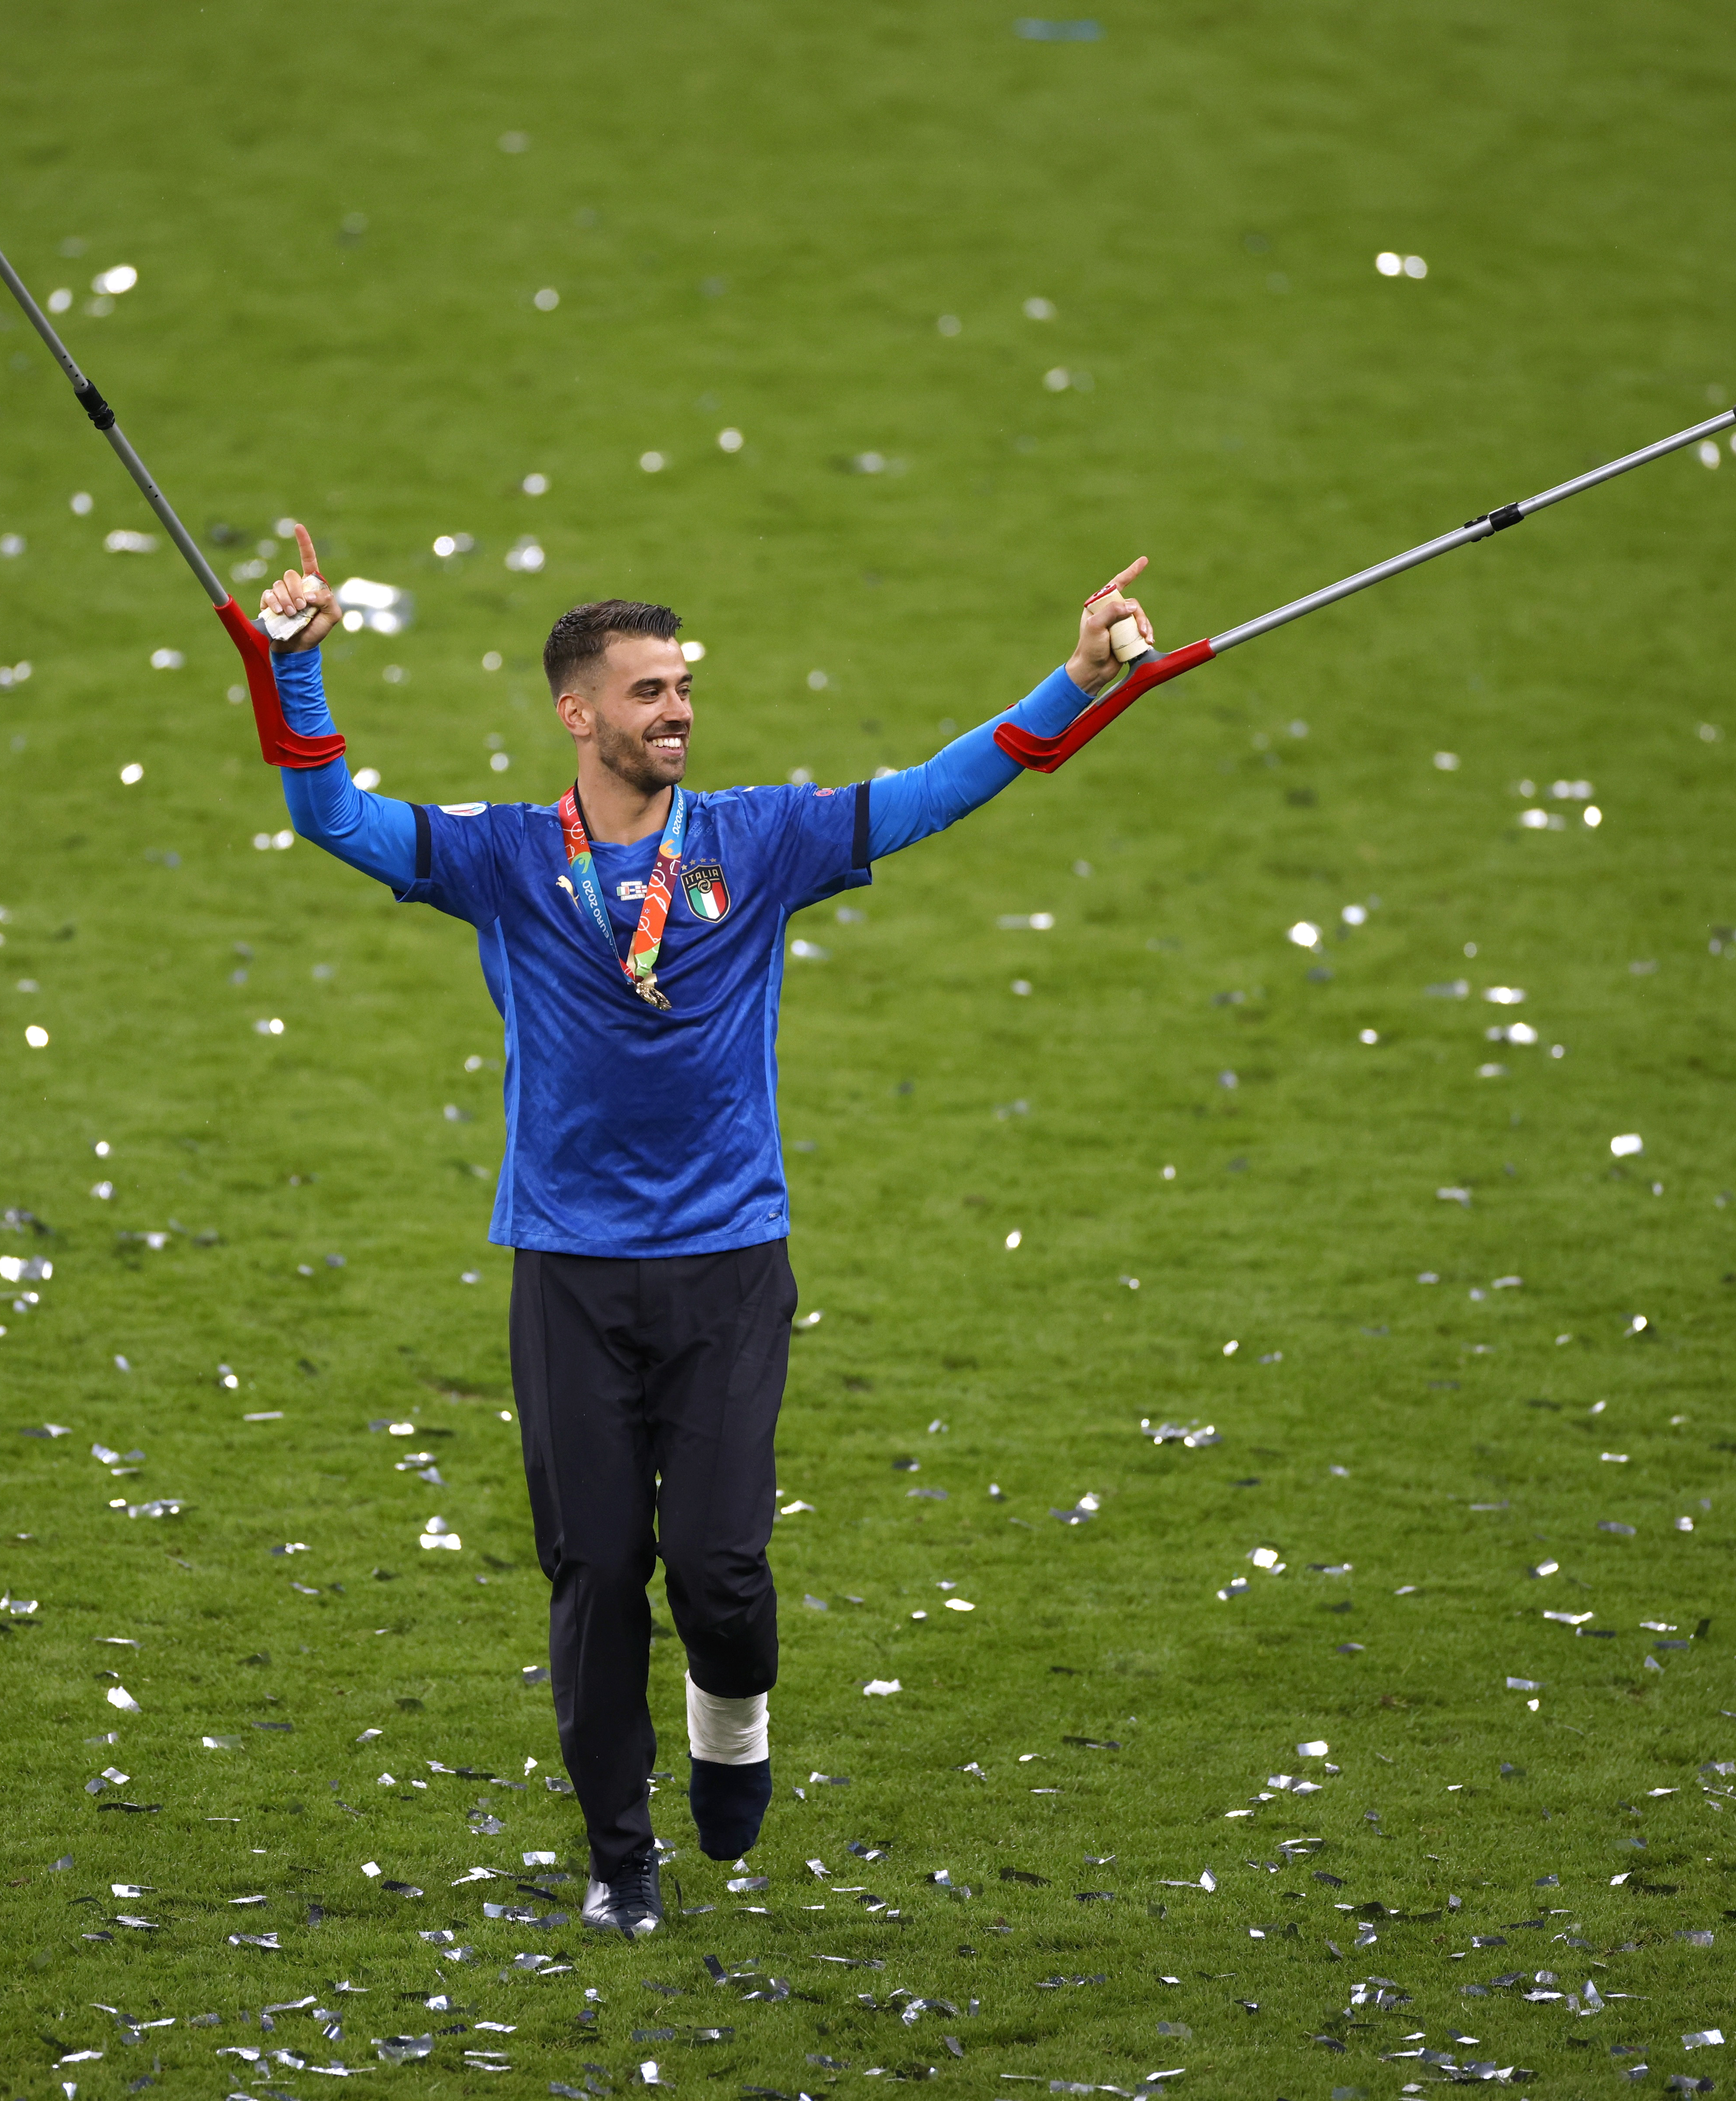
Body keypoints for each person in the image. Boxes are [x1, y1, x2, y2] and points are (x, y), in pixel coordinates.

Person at [254, 525, 1154, 1937]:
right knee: (597, 1572)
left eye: (683, 687)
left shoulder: (755, 837)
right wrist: (295, 672)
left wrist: (1074, 677)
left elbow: (930, 794)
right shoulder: (502, 860)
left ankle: (732, 1729)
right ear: (576, 711)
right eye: (647, 691)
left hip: (730, 1264)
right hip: (568, 1269)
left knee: (722, 1573)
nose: (676, 710)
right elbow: (334, 822)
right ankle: (622, 1859)